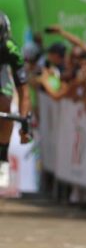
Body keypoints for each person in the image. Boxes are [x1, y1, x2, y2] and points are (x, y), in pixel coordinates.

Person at [0, 12, 32, 164]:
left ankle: (2, 156)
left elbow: (24, 91)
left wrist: (24, 126)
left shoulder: (11, 49)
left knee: (5, 104)